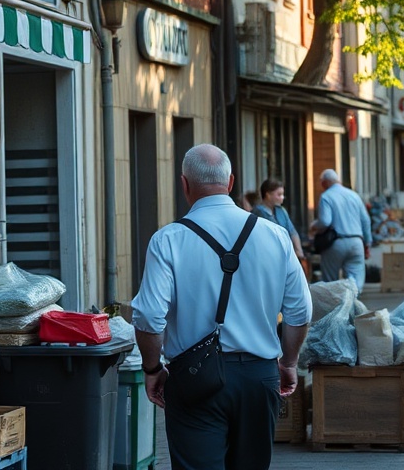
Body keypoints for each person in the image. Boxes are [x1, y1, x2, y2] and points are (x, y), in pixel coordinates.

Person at [131, 144, 311, 470]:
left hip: (195, 377)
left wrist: (152, 368)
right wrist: (289, 362)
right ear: (230, 182)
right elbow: (300, 311)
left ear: (184, 184)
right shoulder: (276, 235)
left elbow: (147, 316)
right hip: (259, 376)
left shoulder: (167, 240)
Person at [316, 169, 373, 290]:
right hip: (356, 242)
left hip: (335, 243)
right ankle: (353, 303)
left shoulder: (326, 196)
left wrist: (314, 225)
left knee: (331, 283)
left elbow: (325, 221)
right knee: (356, 282)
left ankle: (335, 306)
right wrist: (367, 243)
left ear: (325, 183)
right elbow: (366, 220)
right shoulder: (354, 195)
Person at [252, 178, 307, 262]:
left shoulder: (281, 210)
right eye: (279, 194)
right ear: (268, 194)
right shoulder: (258, 212)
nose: (282, 198)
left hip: (285, 255)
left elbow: (292, 231)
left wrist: (299, 251)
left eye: (282, 194)